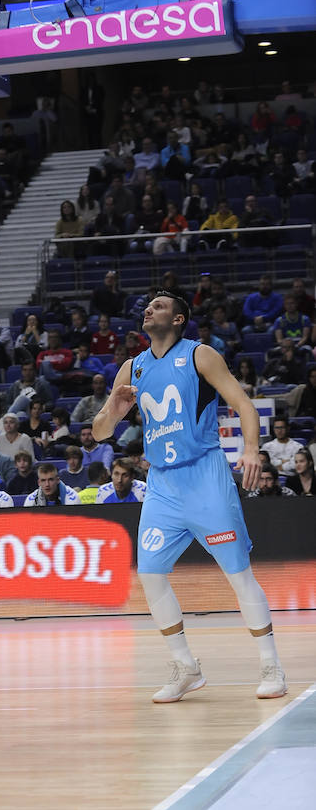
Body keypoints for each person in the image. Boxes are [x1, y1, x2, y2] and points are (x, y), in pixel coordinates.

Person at [92, 289, 286, 702]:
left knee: (238, 573)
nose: (149, 309)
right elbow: (99, 433)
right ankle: (186, 667)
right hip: (162, 485)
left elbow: (244, 407)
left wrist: (250, 449)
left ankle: (271, 664)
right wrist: (112, 408)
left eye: (160, 305)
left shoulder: (200, 355)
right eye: (148, 305)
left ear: (179, 319)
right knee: (149, 574)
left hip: (205, 476)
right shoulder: (132, 367)